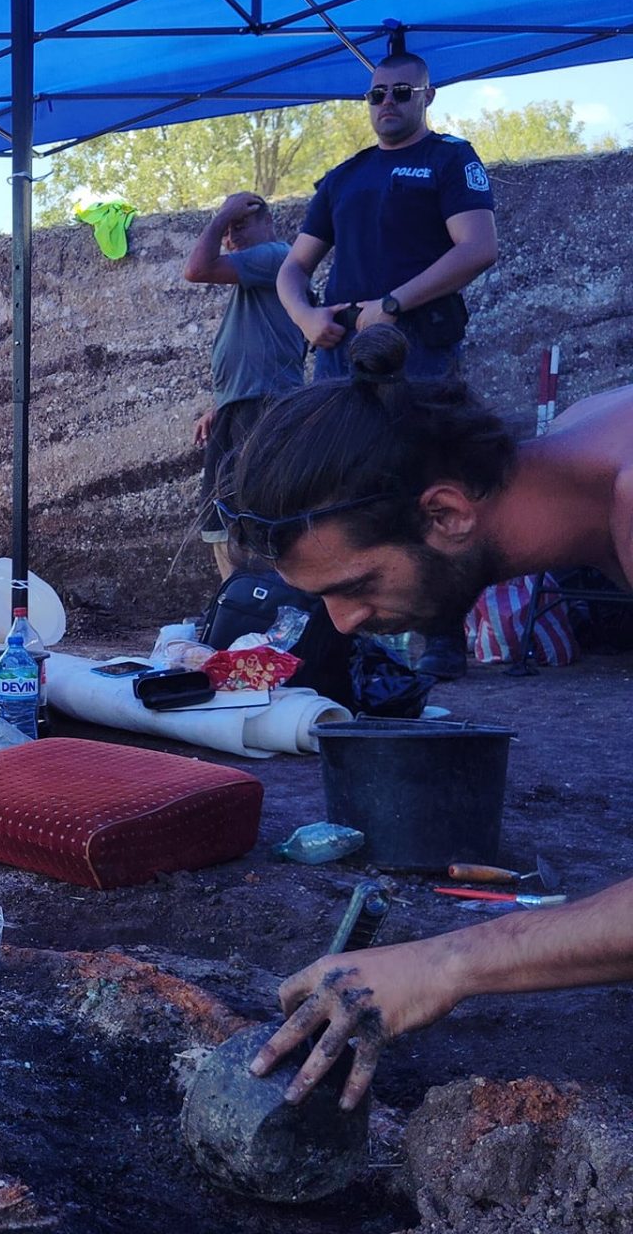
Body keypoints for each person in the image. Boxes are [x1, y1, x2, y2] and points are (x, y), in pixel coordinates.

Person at [218, 325, 633, 1111]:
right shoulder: (592, 434)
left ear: (444, 513)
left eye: (357, 581)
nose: (340, 623)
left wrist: (448, 962)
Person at [276, 49, 497, 678]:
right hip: (345, 359)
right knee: (335, 486)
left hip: (418, 352)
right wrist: (307, 319)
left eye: (402, 92)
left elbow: (478, 248)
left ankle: (440, 640)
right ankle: (336, 642)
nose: (388, 104)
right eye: (376, 95)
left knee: (424, 486)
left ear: (428, 96)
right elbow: (294, 268)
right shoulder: (345, 176)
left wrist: (394, 304)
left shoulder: (450, 159)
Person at [181, 193, 306, 581]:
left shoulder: (276, 256)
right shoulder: (251, 283)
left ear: (268, 223)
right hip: (240, 404)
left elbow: (196, 269)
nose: (231, 239)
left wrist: (219, 218)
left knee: (256, 511)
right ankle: (237, 605)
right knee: (223, 513)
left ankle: (266, 603)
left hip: (265, 405)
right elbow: (253, 351)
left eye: (240, 226)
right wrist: (220, 404)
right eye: (228, 231)